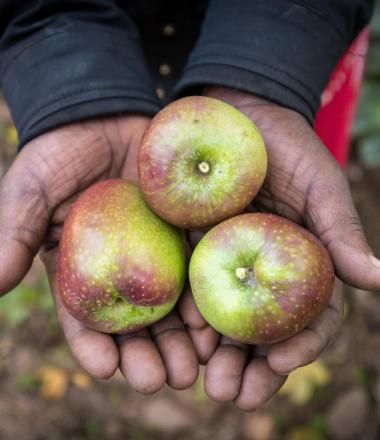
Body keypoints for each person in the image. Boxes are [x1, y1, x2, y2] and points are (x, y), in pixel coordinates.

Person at [0, 0, 379, 411]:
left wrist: (267, 72)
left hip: (287, 70)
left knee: (309, 165)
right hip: (120, 66)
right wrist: (71, 95)